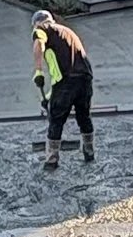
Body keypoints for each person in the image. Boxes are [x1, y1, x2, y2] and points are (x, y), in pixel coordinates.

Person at [32, 10, 94, 175]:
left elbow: (38, 42)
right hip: (85, 78)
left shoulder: (44, 29)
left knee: (56, 119)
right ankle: (89, 152)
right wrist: (48, 97)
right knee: (84, 116)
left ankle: (52, 160)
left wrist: (38, 71)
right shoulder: (67, 32)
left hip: (67, 80)